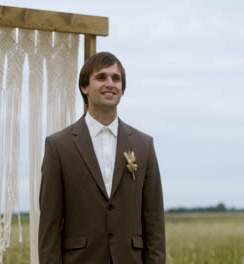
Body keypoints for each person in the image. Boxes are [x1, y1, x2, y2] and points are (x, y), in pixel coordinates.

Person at [38, 52, 165, 264]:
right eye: (101, 77)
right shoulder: (58, 146)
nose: (110, 83)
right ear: (84, 87)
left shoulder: (144, 146)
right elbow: (49, 229)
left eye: (116, 78)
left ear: (122, 88)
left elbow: (154, 223)